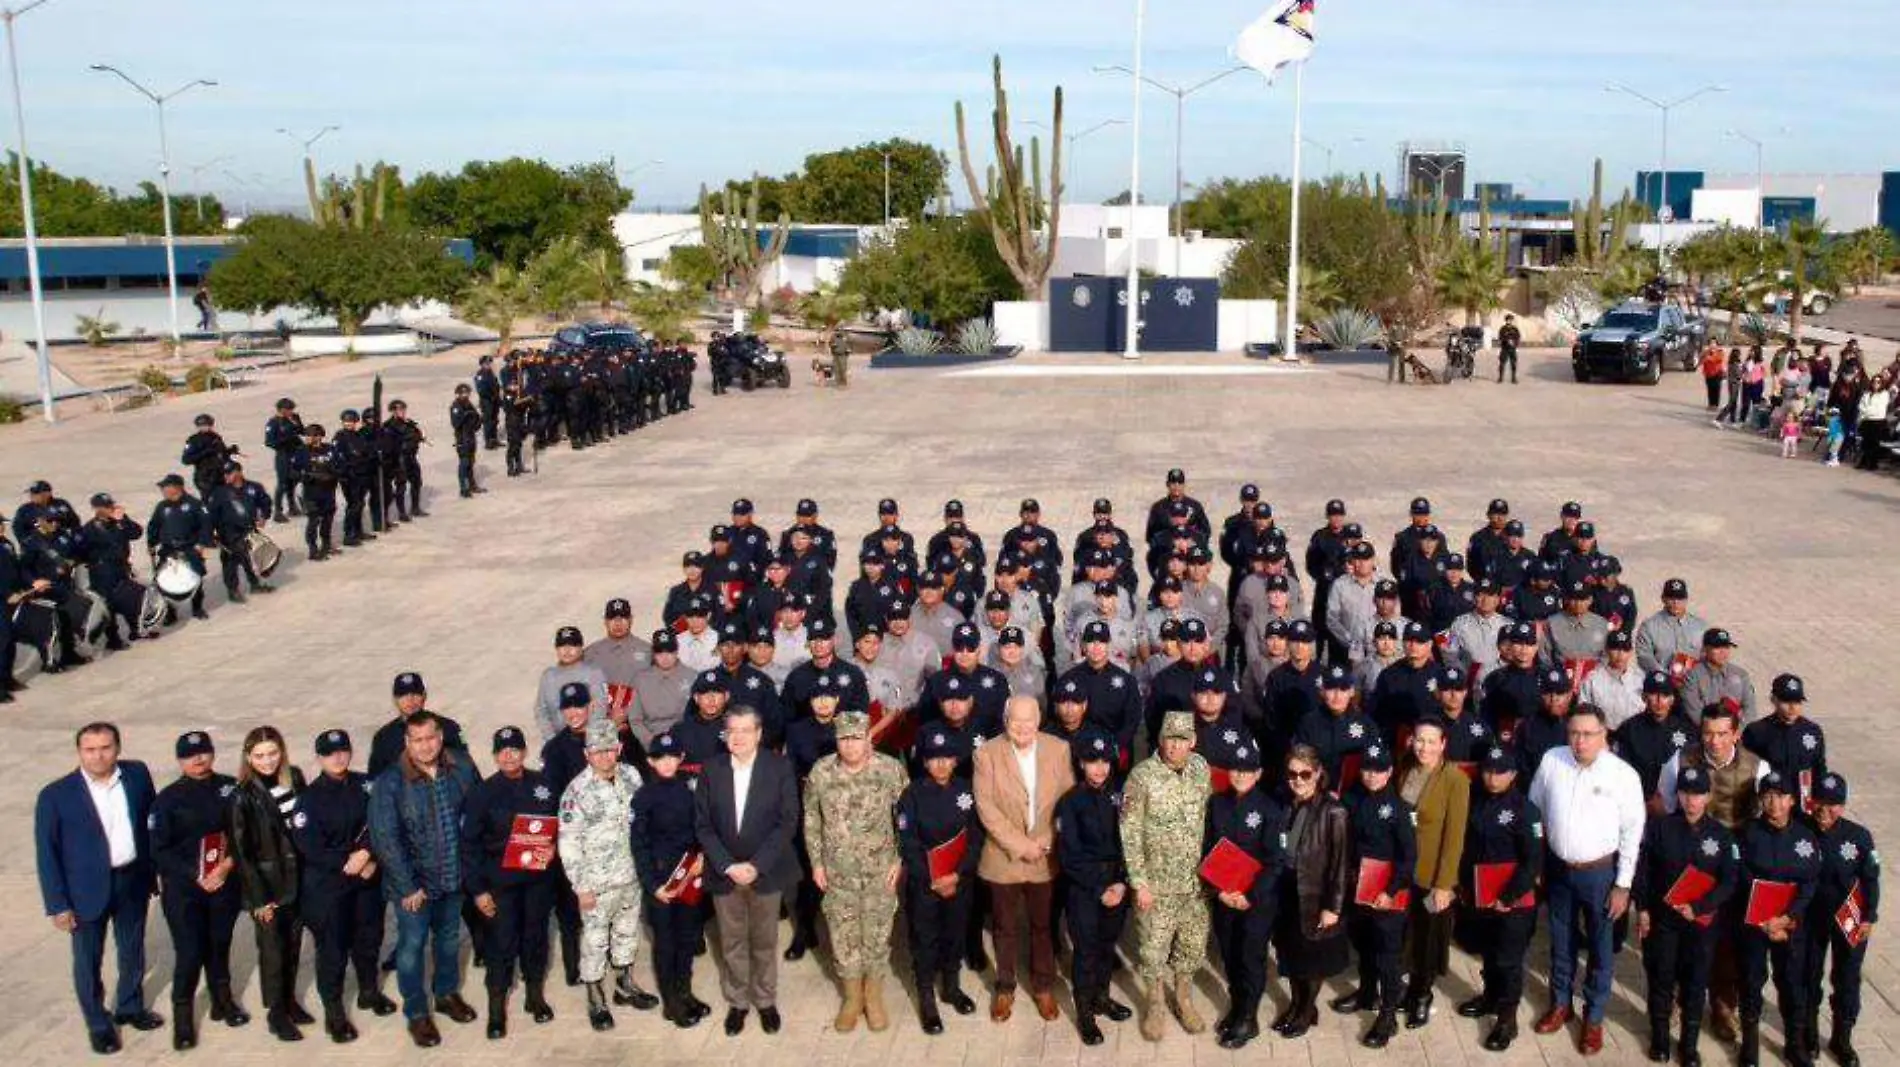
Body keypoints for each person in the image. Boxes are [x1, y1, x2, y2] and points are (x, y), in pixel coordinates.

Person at [35, 723, 161, 1055]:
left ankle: (130, 1006)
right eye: (90, 749)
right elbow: (47, 854)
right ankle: (98, 1022)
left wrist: (151, 872)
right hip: (84, 890)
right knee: (88, 960)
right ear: (79, 752)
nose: (98, 755)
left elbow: (149, 820)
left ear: (117, 748)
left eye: (105, 747)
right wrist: (57, 904)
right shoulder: (56, 795)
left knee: (132, 947)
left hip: (131, 879)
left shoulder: (136, 775)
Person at [1528, 704, 1646, 1056]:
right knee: (1560, 942)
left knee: (1600, 948)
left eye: (1588, 734)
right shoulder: (1553, 761)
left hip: (1601, 875)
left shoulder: (1623, 775)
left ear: (1603, 734)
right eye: (1574, 733)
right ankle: (1560, 1003)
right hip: (1560, 870)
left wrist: (1623, 885)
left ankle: (1593, 1017)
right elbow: (1535, 810)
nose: (1579, 741)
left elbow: (1632, 833)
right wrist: (1537, 862)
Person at [367, 711, 481, 1048]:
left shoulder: (461, 766)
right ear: (407, 742)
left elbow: (475, 813)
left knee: (447, 941)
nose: (425, 746)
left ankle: (446, 994)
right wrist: (407, 886)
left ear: (440, 736)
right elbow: (386, 838)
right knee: (411, 948)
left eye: (430, 738)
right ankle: (417, 1012)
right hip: (416, 888)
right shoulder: (390, 782)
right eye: (417, 740)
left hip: (453, 877)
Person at [693, 705, 799, 1036]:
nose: (738, 737)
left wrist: (756, 865)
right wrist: (727, 864)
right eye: (732, 731)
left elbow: (787, 821)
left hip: (765, 871)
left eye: (745, 730)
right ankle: (739, 1002)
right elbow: (703, 825)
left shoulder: (779, 767)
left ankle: (765, 1000)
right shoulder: (711, 769)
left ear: (758, 733)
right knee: (733, 941)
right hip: (725, 873)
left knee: (765, 940)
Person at [802, 710, 907, 1032]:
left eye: (856, 738)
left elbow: (905, 819)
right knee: (843, 937)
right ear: (836, 740)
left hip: (879, 872)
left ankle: (873, 997)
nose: (849, 745)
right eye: (844, 739)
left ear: (868, 738)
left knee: (876, 936)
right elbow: (811, 820)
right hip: (838, 874)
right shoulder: (821, 772)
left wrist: (900, 859)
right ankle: (851, 998)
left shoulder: (890, 770)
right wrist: (817, 863)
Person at [973, 695, 1074, 1023]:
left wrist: (1045, 841)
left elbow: (1067, 799)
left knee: (1042, 926)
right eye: (1015, 722)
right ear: (1005, 721)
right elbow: (986, 808)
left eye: (1028, 722)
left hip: (1044, 854)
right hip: (1003, 857)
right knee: (1004, 927)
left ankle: (1043, 987)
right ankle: (1004, 987)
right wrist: (1021, 846)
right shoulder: (986, 754)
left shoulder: (1058, 749)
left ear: (1039, 720)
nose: (1022, 728)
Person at [293, 728, 396, 1045]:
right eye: (329, 753)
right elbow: (309, 846)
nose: (337, 758)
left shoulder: (368, 785)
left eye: (342, 751)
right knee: (333, 951)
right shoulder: (308, 799)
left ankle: (368, 991)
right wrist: (347, 862)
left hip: (366, 879)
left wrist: (370, 855)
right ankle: (334, 1013)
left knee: (368, 939)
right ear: (320, 758)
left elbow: (383, 822)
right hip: (329, 887)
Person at [1634, 763, 1738, 1067]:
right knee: (1661, 980)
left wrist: (1700, 907)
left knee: (1695, 983)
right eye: (1685, 793)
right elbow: (1644, 871)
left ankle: (1689, 1046)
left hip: (1700, 925)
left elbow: (1729, 881)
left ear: (1708, 796)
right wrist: (1642, 908)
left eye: (1698, 794)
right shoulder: (1660, 828)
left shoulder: (1721, 836)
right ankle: (1660, 1039)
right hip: (1664, 922)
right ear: (1677, 795)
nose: (1691, 800)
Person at [148, 731, 246, 1050]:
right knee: (190, 953)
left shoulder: (230, 788)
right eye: (190, 756)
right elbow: (159, 850)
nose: (198, 759)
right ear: (179, 760)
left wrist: (226, 866)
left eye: (204, 753)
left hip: (223, 882)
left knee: (219, 945)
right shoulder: (167, 799)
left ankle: (223, 1002)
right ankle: (183, 1018)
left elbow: (244, 834)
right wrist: (197, 874)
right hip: (185, 890)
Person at [558, 720, 657, 1031]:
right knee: (595, 941)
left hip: (631, 875)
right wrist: (581, 887)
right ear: (587, 753)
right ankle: (595, 996)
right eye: (596, 751)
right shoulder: (576, 791)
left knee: (627, 932)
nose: (603, 756)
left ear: (619, 749)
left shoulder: (631, 775)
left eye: (609, 750)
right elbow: (569, 843)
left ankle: (624, 985)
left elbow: (644, 821)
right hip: (597, 884)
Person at [461, 726, 560, 1039]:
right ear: (494, 755)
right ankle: (496, 1007)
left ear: (524, 752)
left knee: (535, 938)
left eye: (514, 749)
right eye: (502, 751)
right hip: (500, 883)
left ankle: (534, 995)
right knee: (500, 945)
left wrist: (554, 845)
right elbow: (470, 845)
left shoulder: (543, 786)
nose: (508, 756)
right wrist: (477, 890)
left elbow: (559, 825)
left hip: (537, 881)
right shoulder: (482, 793)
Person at [1122, 709, 1213, 1041]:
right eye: (1168, 739)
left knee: (1191, 947)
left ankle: (1184, 999)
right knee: (1152, 951)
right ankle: (1156, 1005)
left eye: (1181, 740)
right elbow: (1128, 833)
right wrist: (1139, 883)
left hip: (1195, 885)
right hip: (1156, 887)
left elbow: (1211, 816)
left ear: (1193, 741)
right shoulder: (1141, 777)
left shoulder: (1201, 769)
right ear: (1159, 740)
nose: (1174, 747)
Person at [1456, 745, 1543, 1051]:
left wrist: (1508, 896)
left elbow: (1533, 861)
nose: (1493, 778)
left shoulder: (1526, 809)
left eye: (1500, 772)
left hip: (1512, 900)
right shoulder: (1473, 799)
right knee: (1488, 952)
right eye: (1488, 771)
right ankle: (1490, 997)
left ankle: (1507, 1018)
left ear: (1513, 775)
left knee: (1508, 959)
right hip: (1479, 894)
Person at [229, 725, 310, 1041]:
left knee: (293, 946)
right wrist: (258, 899)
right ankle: (276, 1014)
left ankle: (289, 1002)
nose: (267, 761)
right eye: (260, 755)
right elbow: (242, 852)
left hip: (297, 880)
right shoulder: (243, 796)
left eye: (273, 753)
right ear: (249, 757)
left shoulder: (296, 778)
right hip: (268, 886)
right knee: (273, 952)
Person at [1736, 771, 1821, 1067]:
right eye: (1768, 796)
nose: (1774, 803)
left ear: (1792, 800)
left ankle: (1794, 1045)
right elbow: (1741, 875)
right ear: (1761, 799)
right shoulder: (1747, 833)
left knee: (1791, 984)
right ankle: (1749, 1046)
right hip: (1754, 924)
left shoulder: (1805, 839)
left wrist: (1786, 919)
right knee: (1750, 982)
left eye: (1781, 797)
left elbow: (1809, 884)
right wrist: (1763, 918)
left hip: (1790, 928)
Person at [1051, 728, 1129, 1045]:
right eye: (1092, 761)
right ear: (1081, 763)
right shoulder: (1069, 803)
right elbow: (1070, 856)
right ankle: (1085, 1013)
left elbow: (1132, 842)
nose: (1099, 768)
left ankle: (1102, 997)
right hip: (1085, 887)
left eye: (1105, 762)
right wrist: (1101, 889)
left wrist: (1122, 883)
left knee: (1107, 946)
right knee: (1085, 951)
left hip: (1118, 884)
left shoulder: (1121, 795)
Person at [1334, 742, 1414, 1048]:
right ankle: (1367, 993)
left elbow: (1408, 858)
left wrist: (1391, 891)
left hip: (1386, 894)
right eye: (1367, 769)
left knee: (1387, 957)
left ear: (1390, 772)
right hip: (1358, 888)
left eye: (1379, 770)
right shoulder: (1352, 797)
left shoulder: (1398, 808)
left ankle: (1388, 1015)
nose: (1371, 775)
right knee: (1364, 947)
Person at [630, 732, 713, 1029]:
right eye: (660, 758)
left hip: (690, 875)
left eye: (672, 757)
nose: (667, 763)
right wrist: (653, 886)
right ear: (651, 761)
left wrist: (704, 856)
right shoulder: (643, 797)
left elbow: (703, 827)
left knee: (688, 938)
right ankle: (671, 1002)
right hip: (662, 882)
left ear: (680, 759)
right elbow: (638, 845)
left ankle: (685, 992)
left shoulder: (691, 789)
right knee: (666, 943)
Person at [1272, 743, 1351, 1039]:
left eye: (1306, 773)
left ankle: (1307, 1010)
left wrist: (1334, 907)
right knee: (1291, 954)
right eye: (1292, 774)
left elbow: (1341, 864)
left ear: (1318, 773)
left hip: (1315, 895)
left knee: (1312, 960)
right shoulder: (1285, 803)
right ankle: (1296, 1004)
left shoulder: (1334, 811)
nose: (1299, 780)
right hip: (1287, 892)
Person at [1398, 717, 1469, 1031]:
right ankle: (1406, 989)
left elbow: (1455, 838)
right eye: (1419, 739)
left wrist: (1444, 885)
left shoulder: (1455, 779)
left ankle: (1422, 996)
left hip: (1432, 877)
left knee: (1428, 940)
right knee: (1406, 937)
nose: (1424, 747)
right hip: (1403, 873)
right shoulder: (1405, 770)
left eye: (1431, 741)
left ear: (1443, 744)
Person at [1803, 773, 1877, 1067]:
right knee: (1807, 975)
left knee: (1847, 978)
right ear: (1811, 802)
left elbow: (1871, 879)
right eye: (1819, 802)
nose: (1825, 809)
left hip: (1849, 917)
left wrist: (1869, 917)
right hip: (1810, 917)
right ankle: (1808, 1032)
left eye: (1833, 804)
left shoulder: (1859, 837)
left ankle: (1841, 1038)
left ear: (1843, 806)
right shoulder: (1801, 832)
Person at [205, 461, 275, 603]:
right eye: (225, 474)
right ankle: (233, 590)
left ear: (238, 472)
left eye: (229, 473)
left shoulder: (254, 488)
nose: (226, 476)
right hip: (227, 533)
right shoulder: (220, 493)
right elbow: (211, 514)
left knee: (250, 558)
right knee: (230, 563)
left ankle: (255, 584)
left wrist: (264, 516)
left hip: (249, 530)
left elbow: (265, 502)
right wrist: (211, 533)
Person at [147, 473, 212, 622]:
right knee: (163, 581)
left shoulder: (195, 504)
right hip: (168, 549)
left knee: (194, 577)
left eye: (165, 487)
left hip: (190, 548)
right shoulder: (162, 507)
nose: (163, 490)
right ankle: (170, 612)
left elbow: (206, 525)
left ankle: (197, 608)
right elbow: (154, 525)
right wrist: (151, 542)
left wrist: (201, 544)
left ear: (177, 488)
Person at [292, 424, 342, 562]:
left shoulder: (330, 450)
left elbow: (339, 465)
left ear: (319, 436)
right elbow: (293, 471)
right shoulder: (301, 451)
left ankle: (326, 545)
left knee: (328, 519)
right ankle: (313, 549)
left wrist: (333, 475)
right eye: (307, 436)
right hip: (310, 492)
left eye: (312, 435)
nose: (308, 438)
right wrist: (308, 476)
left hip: (328, 491)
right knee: (313, 521)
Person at [262, 398, 306, 521]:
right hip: (283, 455)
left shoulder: (294, 417)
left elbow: (302, 431)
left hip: (297, 452)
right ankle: (278, 511)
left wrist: (296, 424)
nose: (292, 411)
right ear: (282, 410)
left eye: (292, 409)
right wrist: (285, 439)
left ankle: (293, 506)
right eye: (289, 410)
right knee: (283, 483)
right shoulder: (273, 423)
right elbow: (269, 442)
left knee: (296, 479)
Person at [450, 383, 486, 498]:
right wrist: (466, 415)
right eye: (463, 393)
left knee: (471, 462)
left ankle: (472, 485)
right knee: (464, 463)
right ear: (458, 394)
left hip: (470, 436)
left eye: (467, 393)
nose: (465, 395)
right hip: (462, 438)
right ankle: (463, 488)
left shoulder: (468, 404)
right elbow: (456, 424)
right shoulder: (455, 407)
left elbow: (476, 419)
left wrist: (477, 421)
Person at [1495, 314, 1520, 383]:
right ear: (1506, 320)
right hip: (1505, 349)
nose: (1509, 321)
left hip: (1512, 349)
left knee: (1513, 364)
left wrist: (1514, 343)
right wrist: (1507, 340)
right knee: (1502, 364)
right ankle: (1500, 378)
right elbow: (1500, 337)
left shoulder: (1515, 329)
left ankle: (1513, 378)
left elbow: (1518, 337)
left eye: (1511, 320)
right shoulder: (1503, 329)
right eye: (1508, 320)